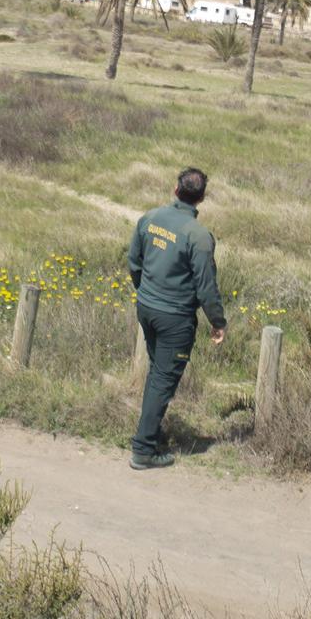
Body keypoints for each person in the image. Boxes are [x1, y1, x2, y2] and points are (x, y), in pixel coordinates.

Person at [126, 166, 225, 470]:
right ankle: (143, 450)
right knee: (162, 380)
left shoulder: (150, 218)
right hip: (175, 318)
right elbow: (206, 286)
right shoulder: (199, 236)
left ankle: (151, 435)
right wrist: (217, 321)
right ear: (202, 198)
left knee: (157, 374)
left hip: (147, 308)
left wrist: (146, 293)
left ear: (175, 189)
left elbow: (134, 262)